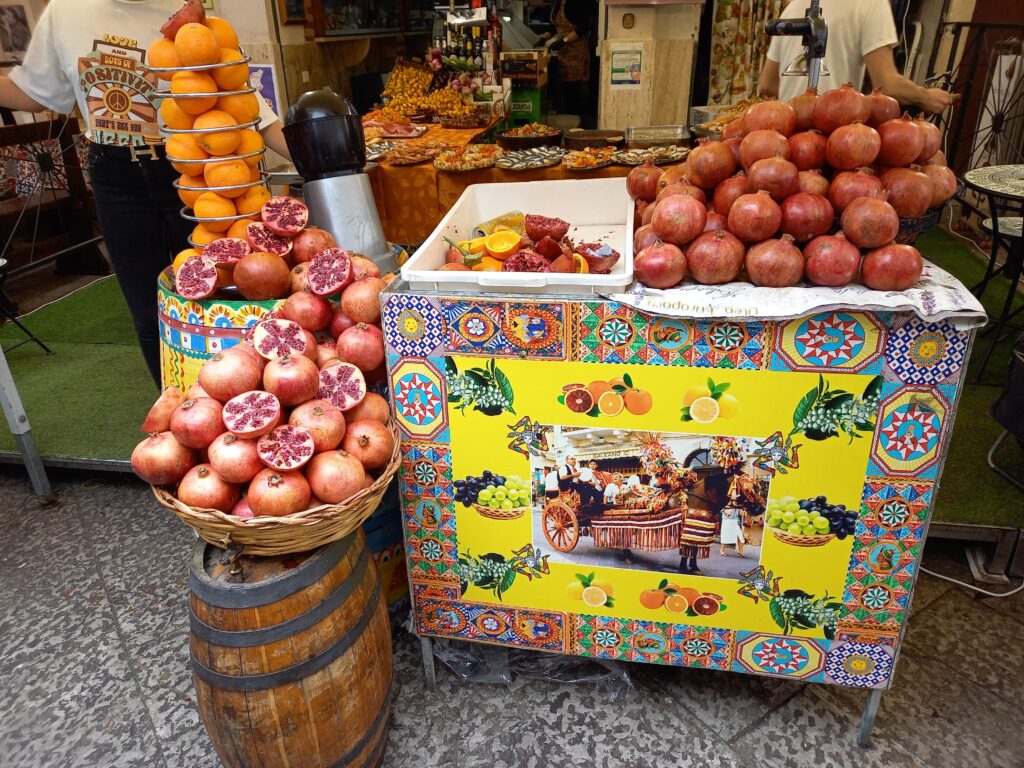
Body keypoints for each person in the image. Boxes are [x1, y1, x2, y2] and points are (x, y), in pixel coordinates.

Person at [0, 0, 291, 387]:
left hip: (199, 172)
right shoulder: (65, 11)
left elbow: (248, 105)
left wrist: (325, 160)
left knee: (222, 295)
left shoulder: (191, 12)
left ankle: (237, 396)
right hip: (116, 175)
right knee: (146, 309)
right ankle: (177, 407)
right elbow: (34, 92)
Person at [758, 0, 953, 115]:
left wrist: (797, 106)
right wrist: (926, 97)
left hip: (786, 137)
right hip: (834, 139)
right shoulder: (871, 3)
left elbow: (766, 85)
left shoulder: (795, 5)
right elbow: (886, 85)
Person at [537, 0, 597, 125]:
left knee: (573, 90)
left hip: (576, 51)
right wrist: (543, 38)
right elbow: (553, 27)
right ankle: (568, 121)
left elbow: (583, 27)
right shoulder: (556, 3)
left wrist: (563, 41)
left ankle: (578, 124)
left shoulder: (576, 3)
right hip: (561, 52)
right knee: (564, 89)